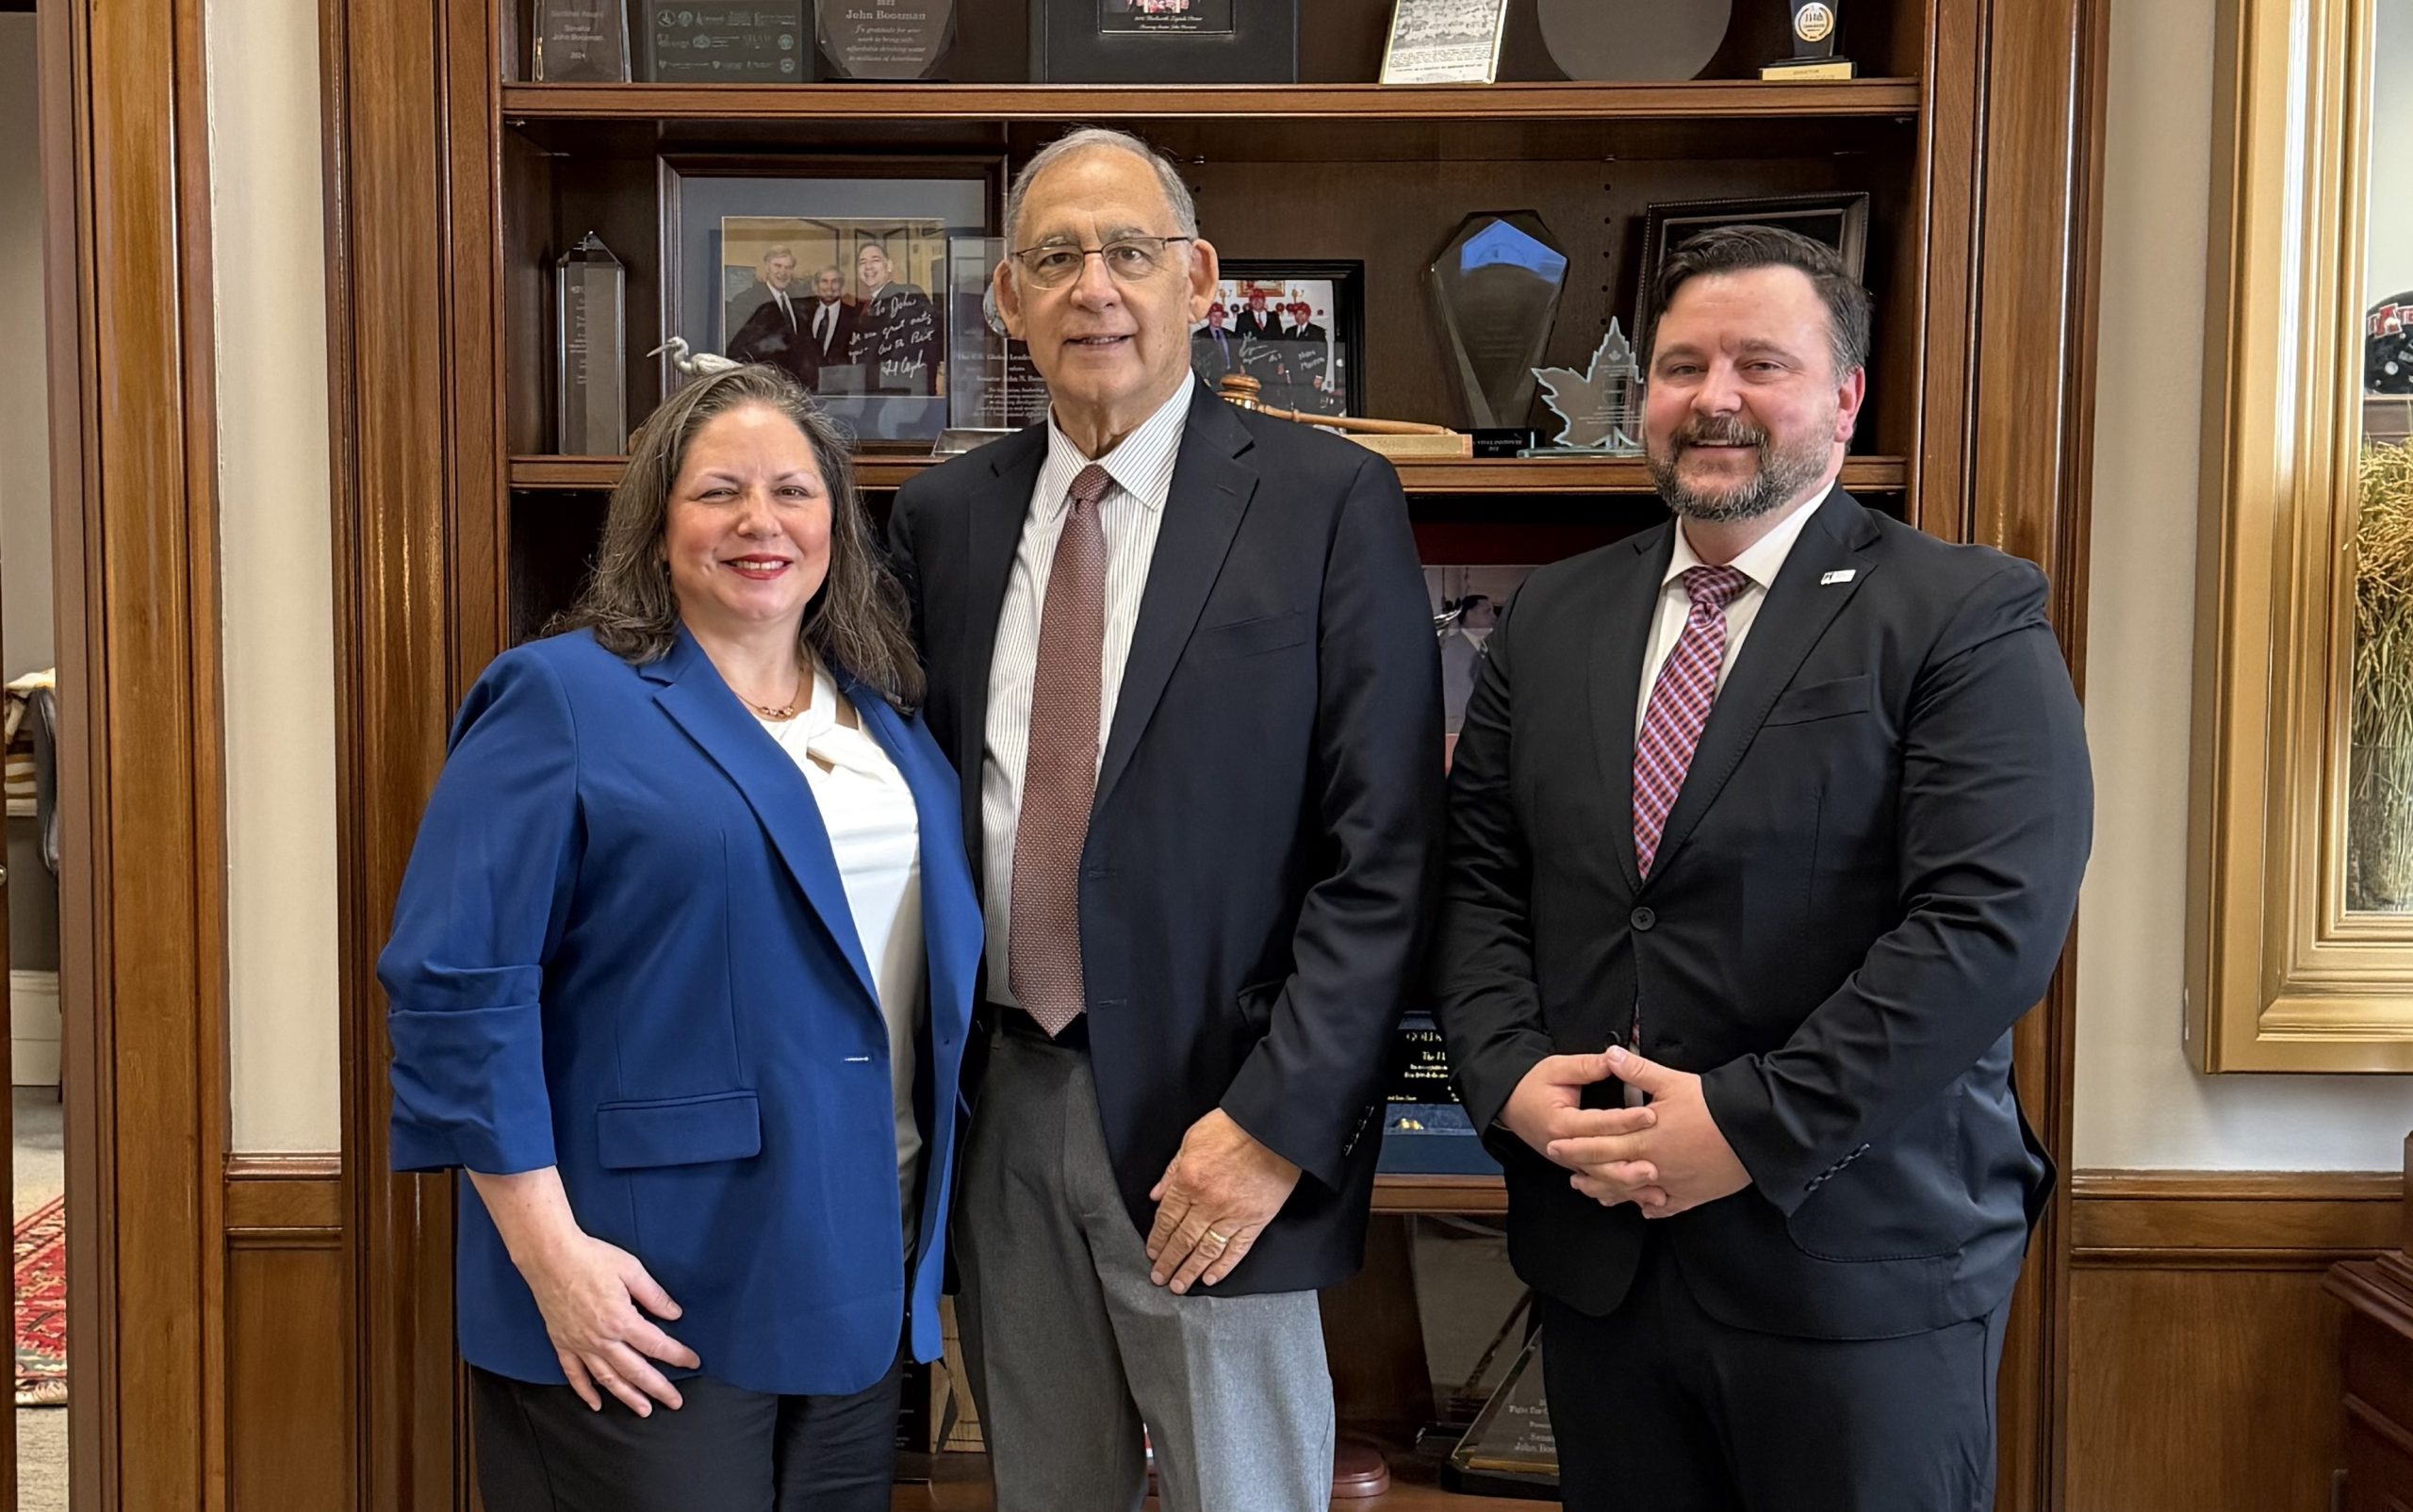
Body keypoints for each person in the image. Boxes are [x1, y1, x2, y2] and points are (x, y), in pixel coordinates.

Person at [1431, 224, 2093, 1511]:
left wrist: (1745, 1126)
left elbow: (1985, 927)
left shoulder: (1962, 613)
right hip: (1600, 1257)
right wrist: (1508, 1080)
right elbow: (1479, 882)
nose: (1714, 398)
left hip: (1857, 1265)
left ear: (1845, 397)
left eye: (1759, 364)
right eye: (1680, 368)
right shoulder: (1554, 617)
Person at [885, 126, 1442, 1512]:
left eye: (1128, 250)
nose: (1096, 287)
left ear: (1199, 279)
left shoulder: (1327, 503)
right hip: (1001, 1099)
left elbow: (1383, 853)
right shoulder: (943, 520)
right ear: (1007, 301)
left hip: (1221, 1119)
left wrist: (1277, 1123)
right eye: (1055, 258)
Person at [381, 365, 983, 1511]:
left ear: (836, 529)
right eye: (719, 492)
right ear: (657, 527)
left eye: (793, 492)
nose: (761, 522)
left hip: (858, 1266)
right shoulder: (560, 699)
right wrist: (552, 1257)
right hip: (641, 1284)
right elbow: (456, 987)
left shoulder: (889, 721)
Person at [849, 240, 941, 396]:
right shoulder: (867, 306)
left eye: (875, 260)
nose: (868, 266)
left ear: (889, 266)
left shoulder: (906, 296)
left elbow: (917, 353)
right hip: (875, 397)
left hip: (899, 397)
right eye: (862, 262)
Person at [725, 245, 803, 367]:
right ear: (767, 267)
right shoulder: (746, 300)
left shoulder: (797, 301)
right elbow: (737, 348)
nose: (783, 272)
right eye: (777, 266)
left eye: (788, 267)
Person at [796, 265, 861, 391]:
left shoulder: (854, 317)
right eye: (824, 281)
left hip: (839, 391)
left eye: (835, 281)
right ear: (815, 286)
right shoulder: (801, 314)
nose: (829, 287)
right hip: (803, 390)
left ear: (842, 287)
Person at [1437, 592, 1494, 731]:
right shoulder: (1451, 649)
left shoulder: (1487, 647)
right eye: (1487, 612)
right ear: (1469, 615)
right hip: (1458, 727)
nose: (1494, 617)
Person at [1190, 301, 1239, 385]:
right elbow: (1195, 360)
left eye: (1220, 316)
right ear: (1209, 317)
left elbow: (1235, 354)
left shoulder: (1230, 334)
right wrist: (1203, 377)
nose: (1217, 319)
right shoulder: (1200, 336)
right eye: (1214, 316)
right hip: (1212, 377)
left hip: (1231, 376)